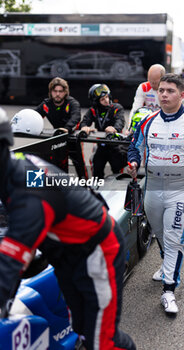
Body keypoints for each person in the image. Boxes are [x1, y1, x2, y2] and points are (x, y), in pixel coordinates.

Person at [0, 107, 136, 350]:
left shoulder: (28, 189)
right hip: (65, 250)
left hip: (97, 249)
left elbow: (12, 259)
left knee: (103, 342)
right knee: (81, 329)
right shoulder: (15, 165)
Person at [127, 73, 184, 314]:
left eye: (170, 91)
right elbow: (134, 147)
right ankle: (168, 266)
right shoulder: (146, 121)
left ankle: (169, 290)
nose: (164, 95)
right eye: (161, 90)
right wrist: (134, 163)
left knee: (174, 238)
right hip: (152, 189)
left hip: (181, 190)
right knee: (160, 234)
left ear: (182, 95)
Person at [36, 77, 86, 178]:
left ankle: (86, 187)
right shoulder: (46, 104)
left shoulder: (72, 103)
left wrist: (67, 128)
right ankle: (62, 189)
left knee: (79, 165)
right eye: (55, 91)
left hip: (73, 137)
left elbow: (76, 117)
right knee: (59, 166)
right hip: (58, 138)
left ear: (65, 92)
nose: (58, 94)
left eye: (60, 91)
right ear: (51, 92)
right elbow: (34, 115)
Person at [80, 83, 126, 179]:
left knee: (118, 174)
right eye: (102, 99)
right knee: (96, 171)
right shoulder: (93, 110)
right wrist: (84, 127)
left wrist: (115, 128)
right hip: (101, 146)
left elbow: (120, 121)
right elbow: (84, 122)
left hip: (115, 146)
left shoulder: (117, 108)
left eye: (107, 97)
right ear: (96, 102)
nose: (106, 100)